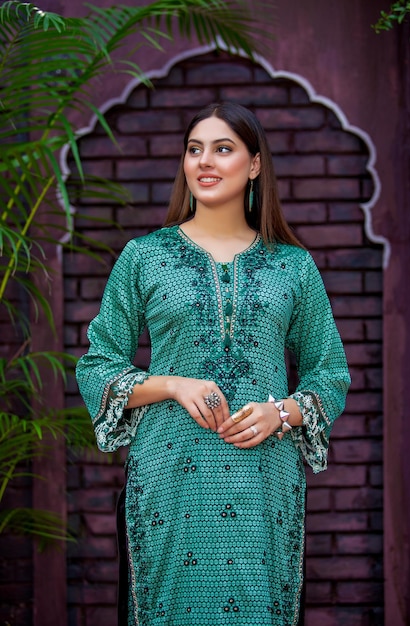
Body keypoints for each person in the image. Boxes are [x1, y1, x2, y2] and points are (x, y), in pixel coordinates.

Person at [76, 102, 350, 626]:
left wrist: (284, 412)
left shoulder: (292, 265)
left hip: (263, 476)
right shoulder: (145, 257)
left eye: (223, 149)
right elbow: (97, 366)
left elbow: (328, 372)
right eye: (194, 149)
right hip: (169, 476)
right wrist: (173, 384)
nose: (205, 161)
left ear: (254, 165)